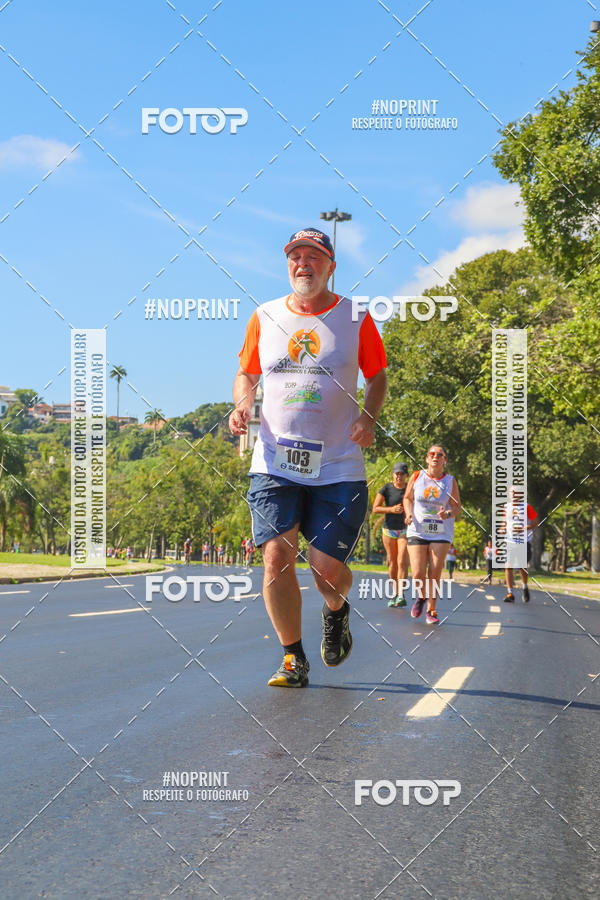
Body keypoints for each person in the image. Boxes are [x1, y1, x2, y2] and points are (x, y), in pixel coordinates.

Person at [229, 227, 387, 688]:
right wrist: (242, 404)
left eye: (314, 256)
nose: (304, 263)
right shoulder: (265, 315)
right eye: (296, 256)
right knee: (276, 556)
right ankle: (293, 658)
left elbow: (377, 377)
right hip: (275, 461)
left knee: (325, 570)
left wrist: (368, 417)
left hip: (337, 464)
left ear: (330, 266)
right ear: (288, 265)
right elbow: (245, 371)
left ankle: (336, 610)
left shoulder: (356, 317)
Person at [403, 444, 461, 625]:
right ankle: (421, 597)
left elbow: (457, 506)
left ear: (445, 460)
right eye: (432, 454)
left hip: (440, 530)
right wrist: (408, 514)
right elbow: (407, 498)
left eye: (440, 455)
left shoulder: (450, 481)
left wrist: (448, 514)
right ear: (427, 458)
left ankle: (431, 609)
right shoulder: (417, 476)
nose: (435, 457)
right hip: (418, 529)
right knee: (418, 573)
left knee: (435, 572)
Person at [372, 462, 410, 607]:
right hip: (388, 530)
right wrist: (391, 509)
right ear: (393, 474)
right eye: (397, 474)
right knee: (392, 561)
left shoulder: (409, 489)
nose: (399, 476)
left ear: (406, 476)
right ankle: (394, 593)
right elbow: (375, 508)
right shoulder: (386, 488)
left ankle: (401, 594)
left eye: (402, 474)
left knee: (402, 560)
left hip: (405, 529)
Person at [502, 490, 538, 603]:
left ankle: (525, 587)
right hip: (509, 541)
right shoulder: (506, 507)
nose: (514, 496)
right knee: (508, 566)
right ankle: (510, 593)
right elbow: (504, 523)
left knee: (522, 567)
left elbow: (535, 524)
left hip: (523, 541)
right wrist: (502, 528)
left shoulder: (527, 507)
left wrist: (522, 529)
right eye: (512, 494)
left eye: (516, 494)